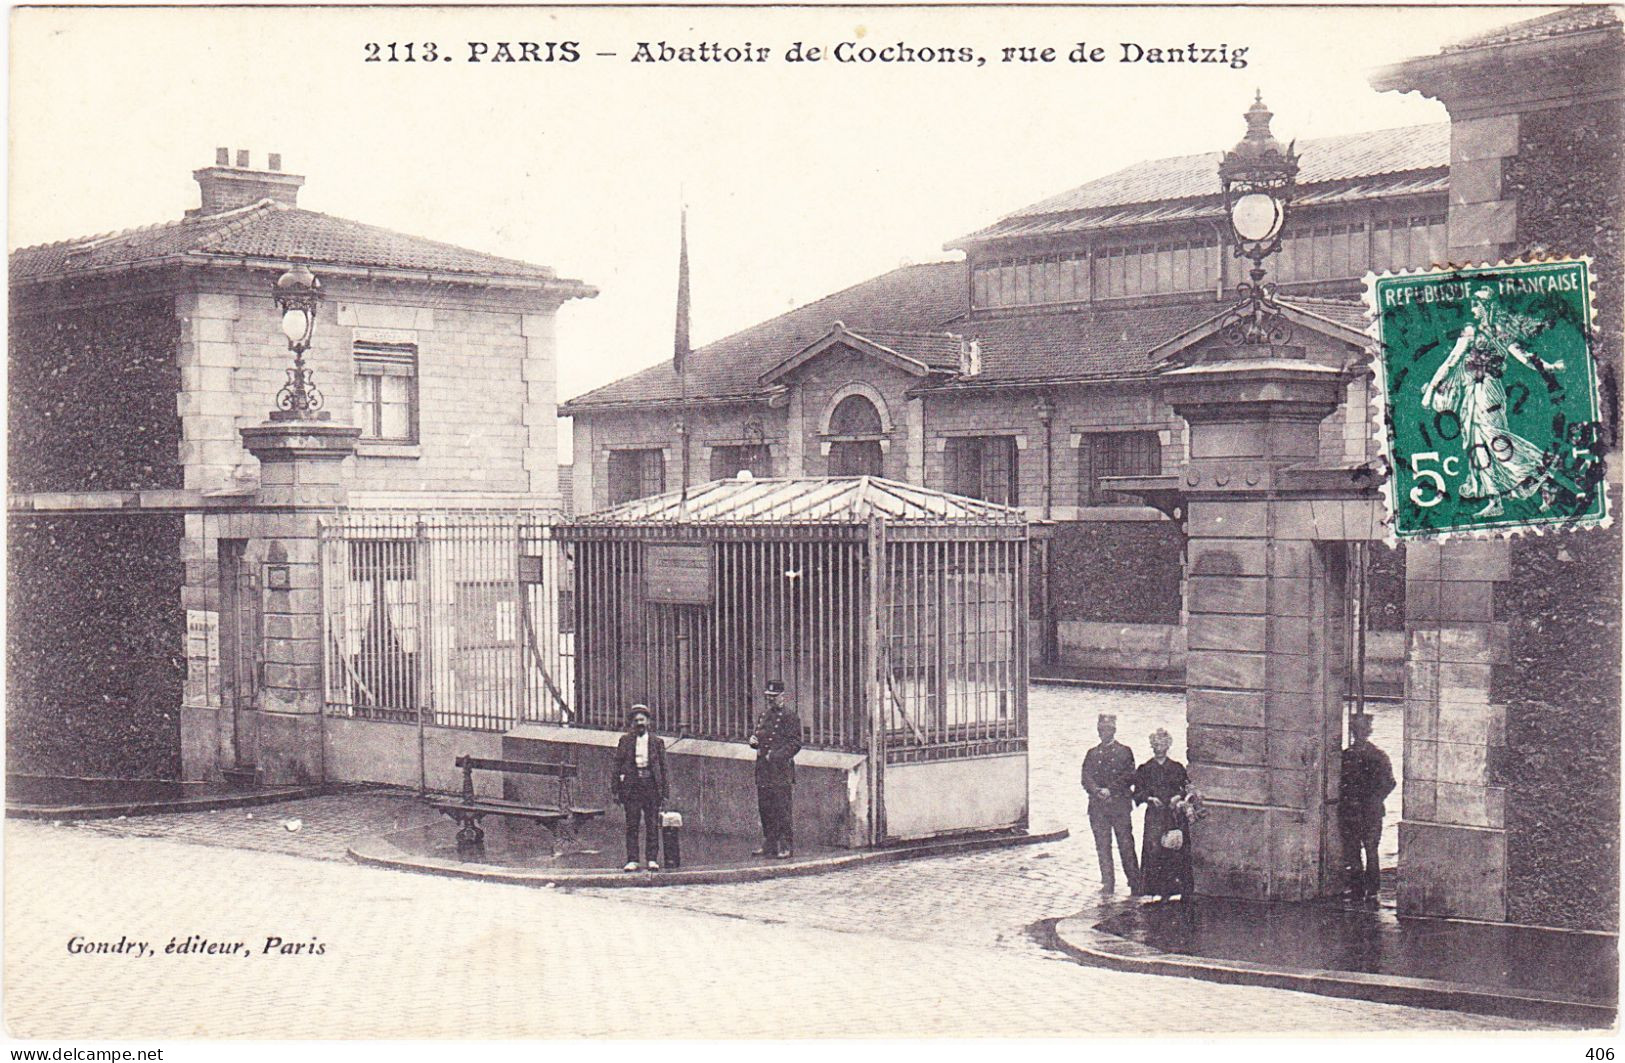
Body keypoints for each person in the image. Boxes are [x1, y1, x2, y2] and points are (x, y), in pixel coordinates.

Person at [1420, 285, 1565, 518]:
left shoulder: (1496, 332)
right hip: (1472, 392)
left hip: (1487, 391)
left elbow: (1522, 357)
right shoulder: (1476, 332)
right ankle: (1495, 500)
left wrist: (1547, 367)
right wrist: (1432, 390)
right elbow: (1452, 361)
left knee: (1495, 440)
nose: (1473, 308)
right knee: (1475, 443)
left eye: (1477, 304)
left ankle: (1544, 475)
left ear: (1487, 307)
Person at [1080, 712, 1141, 895]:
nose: (1103, 733)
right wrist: (1096, 790)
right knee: (1102, 846)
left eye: (1107, 729)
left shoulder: (1124, 751)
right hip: (1098, 808)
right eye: (1101, 729)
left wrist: (1110, 790)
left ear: (1114, 730)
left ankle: (1134, 882)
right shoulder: (1092, 753)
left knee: (1125, 844)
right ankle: (1108, 882)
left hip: (1119, 806)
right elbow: (1085, 776)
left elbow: (1130, 775)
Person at [1339, 714, 1396, 903]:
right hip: (1360, 811)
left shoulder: (1366, 756)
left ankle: (1365, 889)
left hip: (1363, 811)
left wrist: (1372, 799)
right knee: (1360, 849)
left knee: (1364, 850)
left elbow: (1389, 783)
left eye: (1361, 730)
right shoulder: (1354, 755)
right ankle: (1364, 889)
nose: (1359, 734)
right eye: (1357, 730)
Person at [1132, 728, 1192, 903]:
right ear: (1152, 746)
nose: (1159, 747)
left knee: (1175, 849)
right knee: (1155, 851)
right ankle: (1157, 890)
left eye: (1163, 744)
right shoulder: (1145, 768)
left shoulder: (1177, 767)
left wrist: (1178, 797)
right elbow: (1137, 793)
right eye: (1156, 744)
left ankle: (1178, 889)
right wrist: (1150, 798)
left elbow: (1186, 788)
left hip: (1173, 816)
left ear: (1168, 746)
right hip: (1155, 816)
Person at [749, 678, 802, 858]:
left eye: (774, 696)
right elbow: (760, 736)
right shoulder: (764, 715)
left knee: (782, 809)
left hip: (780, 771)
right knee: (765, 808)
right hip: (764, 769)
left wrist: (777, 755)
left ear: (782, 696)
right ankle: (769, 843)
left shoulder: (790, 717)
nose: (770, 700)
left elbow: (795, 743)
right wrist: (753, 742)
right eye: (768, 697)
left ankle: (786, 845)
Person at [611, 704, 668, 871]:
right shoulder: (625, 741)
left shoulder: (657, 742)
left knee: (652, 824)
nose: (639, 723)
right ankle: (633, 860)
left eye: (642, 720)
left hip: (651, 786)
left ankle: (652, 859)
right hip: (632, 786)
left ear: (648, 722)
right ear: (632, 723)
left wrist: (665, 793)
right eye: (636, 720)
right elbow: (617, 765)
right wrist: (615, 789)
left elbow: (664, 768)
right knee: (632, 824)